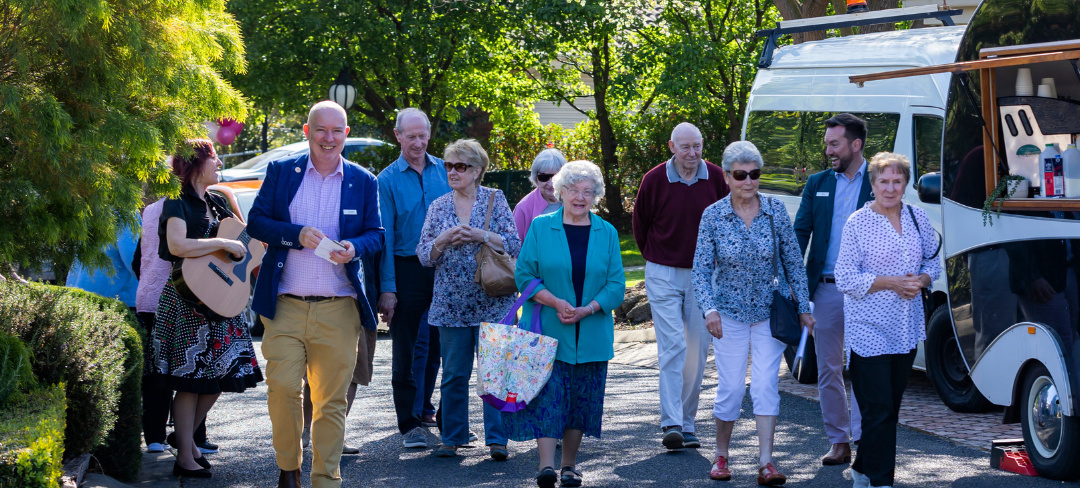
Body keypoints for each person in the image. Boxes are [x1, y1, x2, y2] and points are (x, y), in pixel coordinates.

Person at [248, 101, 383, 488]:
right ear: (307, 132)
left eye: (336, 130)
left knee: (330, 402)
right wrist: (294, 234)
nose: (329, 138)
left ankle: (326, 479)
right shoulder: (280, 172)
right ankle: (288, 468)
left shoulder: (362, 180)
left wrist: (354, 247)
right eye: (321, 130)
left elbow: (377, 234)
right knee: (284, 390)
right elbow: (256, 222)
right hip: (286, 304)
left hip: (339, 308)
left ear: (346, 133)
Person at [692, 141, 814, 486]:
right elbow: (700, 270)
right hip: (727, 314)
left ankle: (766, 463)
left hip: (769, 312)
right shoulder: (713, 215)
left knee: (764, 385)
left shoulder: (775, 211)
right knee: (730, 388)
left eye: (755, 174)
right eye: (741, 175)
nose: (749, 181)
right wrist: (709, 309)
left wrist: (803, 308)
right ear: (727, 177)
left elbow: (793, 262)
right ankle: (721, 456)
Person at [507, 160, 626, 488]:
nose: (580, 197)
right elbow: (524, 274)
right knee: (549, 398)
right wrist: (557, 302)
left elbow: (616, 285)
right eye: (573, 189)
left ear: (595, 196)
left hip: (592, 334)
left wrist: (587, 309)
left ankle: (570, 465)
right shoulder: (541, 227)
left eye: (588, 191)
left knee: (579, 402)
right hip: (548, 330)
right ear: (560, 191)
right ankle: (547, 466)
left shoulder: (607, 232)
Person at [149, 139, 263, 479]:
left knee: (219, 378)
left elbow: (249, 242)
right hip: (188, 302)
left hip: (221, 303)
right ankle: (185, 454)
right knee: (189, 381)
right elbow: (176, 245)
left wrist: (245, 242)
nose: (219, 163)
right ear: (198, 164)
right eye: (214, 158)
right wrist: (223, 243)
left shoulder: (216, 202)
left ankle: (184, 439)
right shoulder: (177, 201)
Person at [834, 152, 941, 488]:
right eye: (884, 181)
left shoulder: (917, 217)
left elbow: (934, 261)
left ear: (905, 184)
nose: (891, 188)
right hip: (867, 328)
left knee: (888, 410)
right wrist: (891, 282)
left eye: (897, 181)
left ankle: (863, 467)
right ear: (873, 184)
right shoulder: (858, 223)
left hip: (905, 327)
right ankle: (882, 481)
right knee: (877, 409)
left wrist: (920, 280)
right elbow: (845, 277)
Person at [417, 139, 519, 459]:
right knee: (454, 374)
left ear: (477, 170)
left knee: (494, 373)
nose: (452, 172)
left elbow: (513, 244)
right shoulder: (438, 206)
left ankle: (498, 440)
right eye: (448, 165)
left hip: (494, 300)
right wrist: (443, 240)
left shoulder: (495, 199)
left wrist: (480, 235)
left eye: (460, 166)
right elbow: (423, 256)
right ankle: (453, 437)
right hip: (451, 303)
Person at [632, 122, 729, 450]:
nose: (693, 153)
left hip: (703, 275)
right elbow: (640, 224)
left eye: (698, 146)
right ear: (672, 146)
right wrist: (656, 257)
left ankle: (688, 423)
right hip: (662, 272)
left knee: (697, 351)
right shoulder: (654, 179)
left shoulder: (716, 177)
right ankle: (671, 422)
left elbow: (727, 222)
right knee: (673, 345)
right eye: (686, 147)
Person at [793, 113, 873, 465]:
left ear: (855, 145)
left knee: (866, 367)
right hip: (825, 290)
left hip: (869, 293)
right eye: (827, 144)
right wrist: (794, 284)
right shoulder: (818, 183)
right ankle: (839, 441)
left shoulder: (879, 181)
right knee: (828, 369)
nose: (828, 151)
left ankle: (864, 439)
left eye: (834, 144)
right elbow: (800, 233)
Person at [377, 107, 453, 449]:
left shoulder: (447, 171)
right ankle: (408, 423)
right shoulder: (386, 180)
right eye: (411, 136)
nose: (419, 142)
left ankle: (426, 409)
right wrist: (388, 289)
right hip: (406, 267)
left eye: (423, 135)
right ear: (398, 136)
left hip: (444, 268)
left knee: (440, 345)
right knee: (406, 351)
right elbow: (387, 239)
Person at [137, 197, 173, 454]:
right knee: (188, 370)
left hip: (149, 297)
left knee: (155, 372)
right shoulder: (187, 204)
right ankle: (193, 436)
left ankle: (154, 437)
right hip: (181, 296)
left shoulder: (150, 210)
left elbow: (137, 259)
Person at [513, 148, 567, 241]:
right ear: (536, 177)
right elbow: (515, 248)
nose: (551, 183)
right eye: (544, 177)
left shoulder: (575, 201)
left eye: (556, 177)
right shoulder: (523, 208)